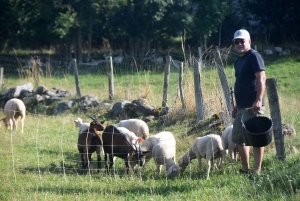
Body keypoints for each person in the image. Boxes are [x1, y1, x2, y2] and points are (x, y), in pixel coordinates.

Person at [231, 29, 266, 174]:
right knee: (238, 138)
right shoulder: (238, 61)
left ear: (249, 41)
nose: (239, 44)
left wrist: (258, 100)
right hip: (241, 106)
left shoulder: (254, 56)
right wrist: (236, 105)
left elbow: (261, 78)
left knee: (256, 138)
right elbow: (240, 82)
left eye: (242, 41)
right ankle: (245, 169)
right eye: (236, 42)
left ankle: (256, 171)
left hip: (253, 106)